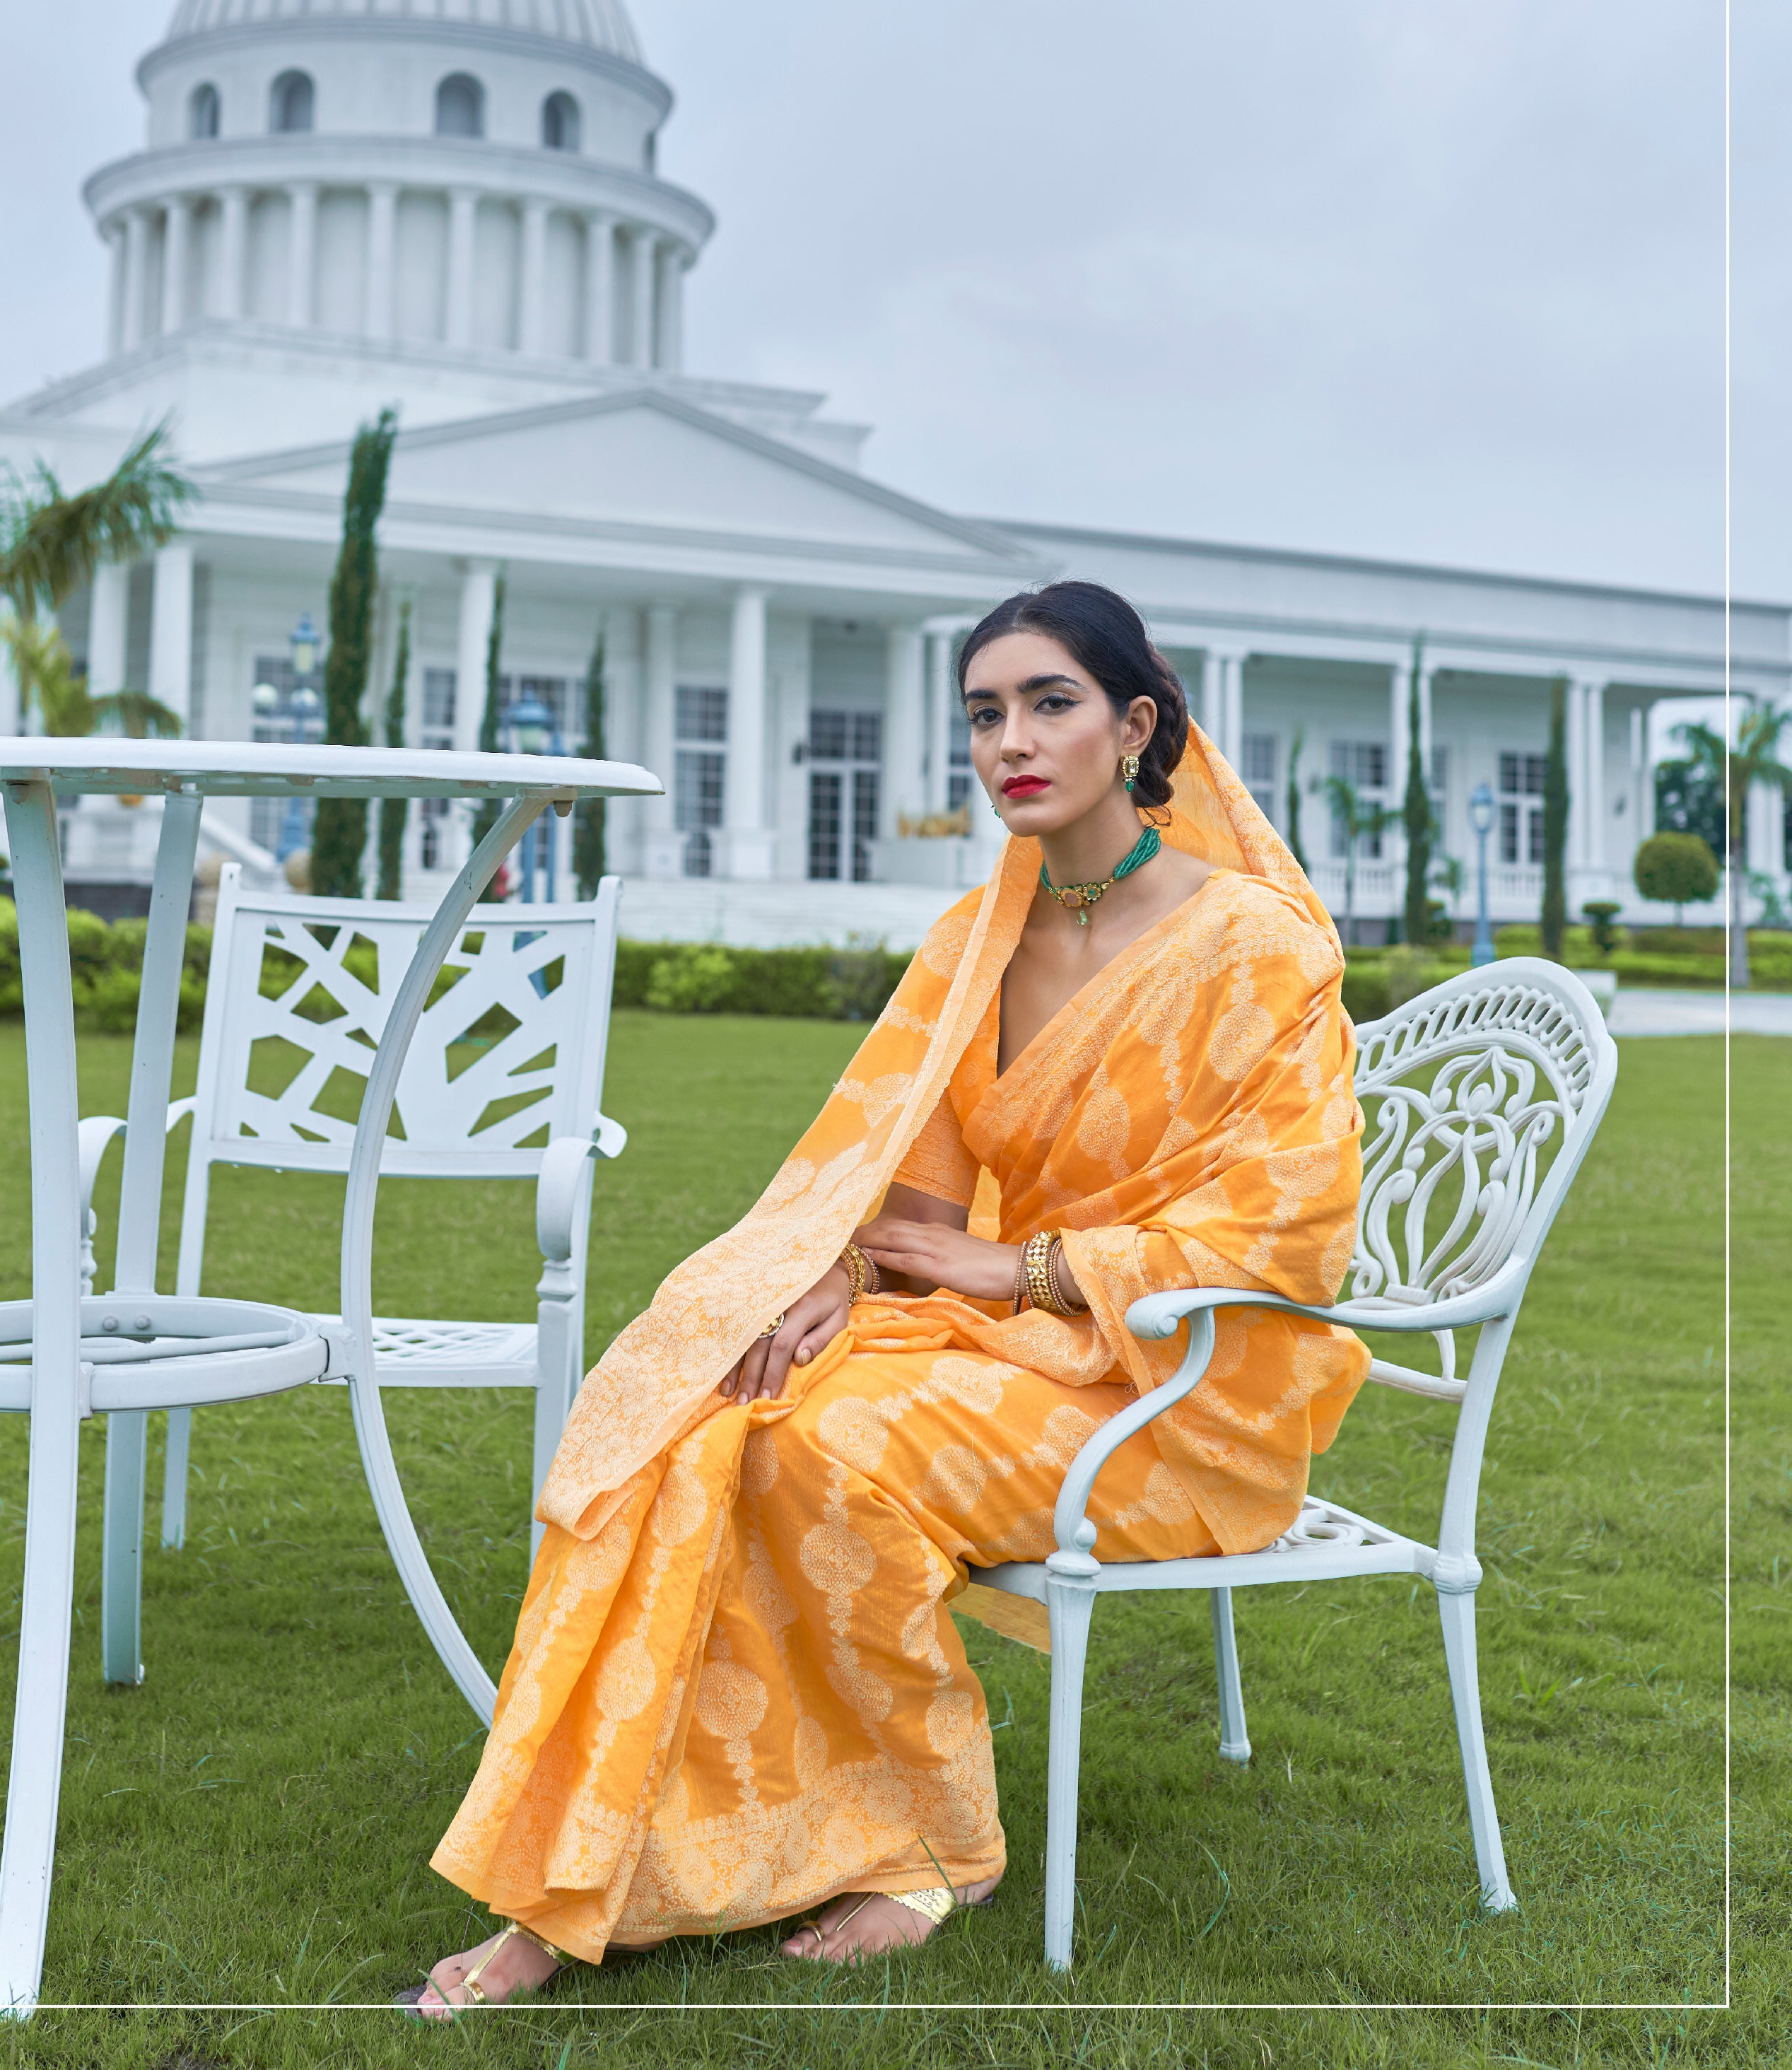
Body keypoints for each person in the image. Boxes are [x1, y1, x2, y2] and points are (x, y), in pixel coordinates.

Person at [393, 580, 1368, 2016]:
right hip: (1004, 1353)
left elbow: (1289, 1232)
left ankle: (935, 1843)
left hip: (1182, 1389)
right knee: (708, 1405)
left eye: (1051, 703)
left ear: (1137, 723)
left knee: (825, 1451)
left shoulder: (1259, 944)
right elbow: (910, 1191)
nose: (1011, 741)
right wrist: (842, 1278)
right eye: (985, 712)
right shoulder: (981, 940)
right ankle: (575, 1873)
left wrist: (1023, 1266)